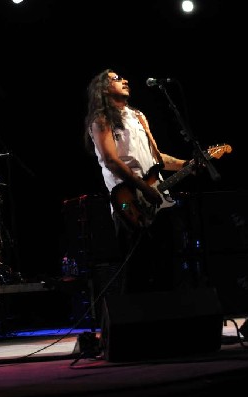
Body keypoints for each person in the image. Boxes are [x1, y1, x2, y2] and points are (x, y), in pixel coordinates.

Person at [83, 68, 192, 296]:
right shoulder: (101, 119)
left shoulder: (139, 116)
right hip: (129, 202)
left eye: (123, 77)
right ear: (103, 88)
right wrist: (144, 188)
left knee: (168, 264)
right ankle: (134, 325)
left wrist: (187, 164)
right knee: (138, 269)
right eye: (116, 79)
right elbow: (112, 161)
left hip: (158, 198)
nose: (125, 80)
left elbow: (157, 159)